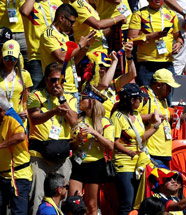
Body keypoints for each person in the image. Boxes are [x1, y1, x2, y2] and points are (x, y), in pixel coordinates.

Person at [27, 63, 79, 212]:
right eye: (52, 80)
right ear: (46, 79)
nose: (56, 84)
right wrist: (54, 111)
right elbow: (35, 118)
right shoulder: (35, 95)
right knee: (37, 197)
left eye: (59, 80)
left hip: (62, 158)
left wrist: (61, 98)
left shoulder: (69, 98)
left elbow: (74, 121)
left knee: (59, 199)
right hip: (40, 158)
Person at [111, 83, 161, 215]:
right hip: (124, 164)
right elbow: (114, 142)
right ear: (132, 100)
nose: (141, 101)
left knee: (139, 204)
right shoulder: (117, 117)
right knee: (127, 204)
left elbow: (141, 137)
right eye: (139, 98)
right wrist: (128, 152)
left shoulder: (136, 114)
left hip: (139, 162)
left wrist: (155, 127)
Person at [69, 84, 114, 215]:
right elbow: (70, 144)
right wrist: (76, 141)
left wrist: (95, 133)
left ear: (92, 102)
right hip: (78, 163)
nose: (80, 100)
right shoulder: (78, 119)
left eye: (83, 98)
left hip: (95, 165)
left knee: (91, 205)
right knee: (74, 203)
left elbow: (110, 146)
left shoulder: (105, 122)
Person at [128, 0, 182, 86]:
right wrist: (153, 36)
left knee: (167, 99)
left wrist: (179, 44)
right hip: (147, 63)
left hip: (167, 62)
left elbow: (178, 36)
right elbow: (131, 39)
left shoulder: (171, 15)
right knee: (147, 99)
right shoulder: (139, 15)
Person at [39, 4, 95, 95]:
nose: (73, 26)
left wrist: (86, 46)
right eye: (72, 22)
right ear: (61, 18)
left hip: (72, 87)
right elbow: (61, 57)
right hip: (59, 88)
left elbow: (74, 61)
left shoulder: (65, 36)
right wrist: (80, 45)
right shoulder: (48, 34)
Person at [0, 90, 32, 215]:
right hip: (3, 176)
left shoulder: (11, 117)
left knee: (18, 213)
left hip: (18, 177)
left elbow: (20, 136)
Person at [140, 69, 178, 167]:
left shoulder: (163, 99)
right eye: (168, 87)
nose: (170, 91)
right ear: (158, 85)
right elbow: (129, 117)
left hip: (165, 153)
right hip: (151, 153)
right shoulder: (144, 96)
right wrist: (149, 118)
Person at [0, 40, 30, 117]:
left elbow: (26, 99)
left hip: (19, 120)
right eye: (7, 58)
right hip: (2, 119)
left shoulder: (24, 75)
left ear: (18, 58)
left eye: (13, 58)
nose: (10, 61)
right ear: (1, 57)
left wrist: (26, 111)